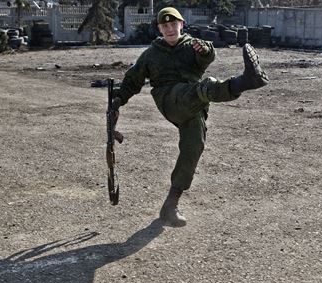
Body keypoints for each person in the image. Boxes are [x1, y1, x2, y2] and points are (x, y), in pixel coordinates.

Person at [113, 7, 269, 227]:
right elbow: (132, 80)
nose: (169, 29)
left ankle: (169, 206)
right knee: (203, 87)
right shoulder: (151, 53)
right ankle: (245, 82)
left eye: (172, 24)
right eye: (164, 26)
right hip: (169, 99)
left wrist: (205, 51)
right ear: (159, 28)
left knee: (193, 146)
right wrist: (118, 99)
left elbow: (206, 57)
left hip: (195, 104)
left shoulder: (192, 45)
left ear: (181, 24)